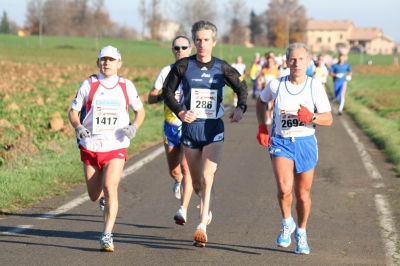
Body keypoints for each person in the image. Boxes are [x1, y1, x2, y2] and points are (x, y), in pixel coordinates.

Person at [162, 20, 248, 247]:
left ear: (214, 42)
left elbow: (241, 86)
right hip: (191, 128)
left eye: (206, 40)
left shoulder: (222, 67)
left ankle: (201, 226)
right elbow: (167, 91)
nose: (201, 44)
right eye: (198, 40)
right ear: (194, 42)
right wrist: (180, 112)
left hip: (213, 128)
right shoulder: (182, 66)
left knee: (208, 177)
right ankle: (205, 207)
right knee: (197, 182)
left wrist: (241, 108)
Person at [255, 43, 332, 255]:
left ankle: (301, 231)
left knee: (303, 195)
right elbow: (261, 102)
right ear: (286, 62)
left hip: (306, 142)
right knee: (284, 188)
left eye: (301, 59)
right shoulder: (275, 85)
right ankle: (287, 222)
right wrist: (263, 127)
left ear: (308, 62)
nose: (296, 63)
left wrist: (312, 117)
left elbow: (328, 119)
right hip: (281, 141)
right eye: (292, 59)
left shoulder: (314, 87)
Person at [68, 45, 145, 252]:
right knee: (94, 194)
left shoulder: (126, 85)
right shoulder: (89, 84)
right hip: (91, 144)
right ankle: (101, 199)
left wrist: (134, 127)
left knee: (111, 187)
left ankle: (107, 234)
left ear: (119, 63)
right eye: (103, 59)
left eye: (111, 60)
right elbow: (73, 112)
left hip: (116, 145)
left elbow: (140, 111)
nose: (107, 63)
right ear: (98, 62)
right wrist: (79, 127)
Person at [147, 36, 194, 225]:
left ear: (190, 49)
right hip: (172, 126)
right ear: (173, 50)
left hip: (191, 126)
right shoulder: (167, 71)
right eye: (176, 48)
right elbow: (150, 97)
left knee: (186, 167)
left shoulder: (197, 70)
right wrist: (163, 97)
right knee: (175, 171)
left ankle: (183, 209)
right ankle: (177, 181)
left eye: (184, 47)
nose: (180, 50)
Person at [256, 55, 279, 125]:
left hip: (275, 90)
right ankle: (268, 118)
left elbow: (280, 79)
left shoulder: (276, 70)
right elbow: (258, 79)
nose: (269, 63)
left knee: (273, 105)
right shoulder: (264, 70)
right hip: (266, 89)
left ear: (273, 62)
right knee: (266, 105)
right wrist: (259, 83)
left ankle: (273, 116)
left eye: (271, 61)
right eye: (268, 62)